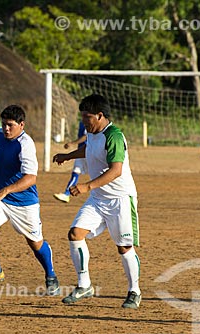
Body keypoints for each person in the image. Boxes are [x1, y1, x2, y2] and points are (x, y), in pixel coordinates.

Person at [53, 94, 141, 309]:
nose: (84, 121)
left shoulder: (114, 136)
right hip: (98, 199)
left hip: (120, 199)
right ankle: (84, 286)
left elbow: (116, 170)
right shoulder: (92, 132)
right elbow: (88, 148)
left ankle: (134, 291)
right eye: (82, 116)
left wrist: (86, 186)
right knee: (75, 234)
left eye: (87, 117)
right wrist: (68, 156)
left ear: (100, 116)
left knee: (124, 247)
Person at [0, 105, 60, 296]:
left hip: (24, 201)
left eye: (10, 125)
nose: (6, 129)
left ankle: (51, 275)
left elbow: (31, 178)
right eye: (4, 124)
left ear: (21, 125)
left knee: (35, 242)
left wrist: (6, 190)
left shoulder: (25, 144)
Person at [53, 121, 88, 203]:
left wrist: (73, 143)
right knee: (76, 171)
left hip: (88, 152)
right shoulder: (82, 121)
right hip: (81, 152)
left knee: (98, 174)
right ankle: (66, 194)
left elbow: (86, 136)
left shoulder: (90, 119)